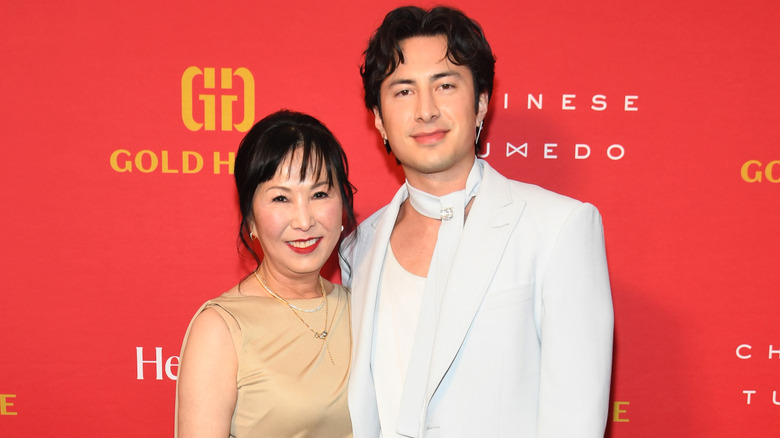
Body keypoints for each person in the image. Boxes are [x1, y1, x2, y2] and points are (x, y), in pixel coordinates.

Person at [341, 6, 614, 437]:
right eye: (403, 91)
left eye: (445, 85)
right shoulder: (358, 248)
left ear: (481, 103)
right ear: (379, 118)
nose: (426, 111)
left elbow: (574, 420)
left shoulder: (558, 228)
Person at [176, 110, 356, 438]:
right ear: (251, 220)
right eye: (281, 198)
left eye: (319, 194)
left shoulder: (364, 307)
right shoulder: (221, 328)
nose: (304, 221)